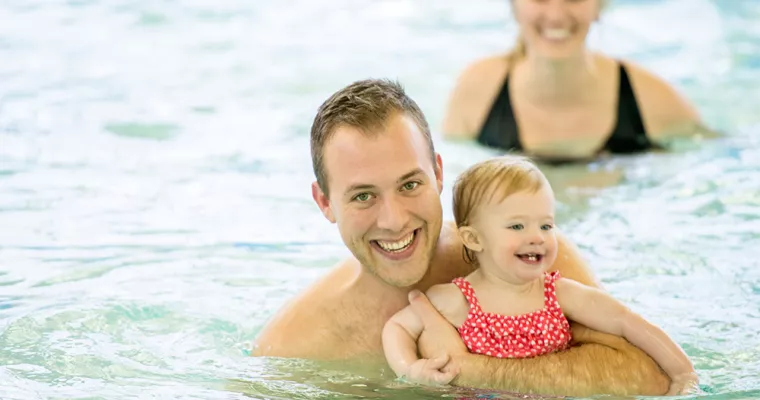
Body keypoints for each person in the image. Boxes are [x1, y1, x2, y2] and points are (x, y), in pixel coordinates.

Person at [252, 78, 672, 396]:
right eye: (363, 196)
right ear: (324, 203)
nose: (394, 220)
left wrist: (473, 369)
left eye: (410, 185)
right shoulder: (295, 348)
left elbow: (649, 376)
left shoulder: (525, 258)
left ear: (437, 172)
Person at [382, 156, 699, 395]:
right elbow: (397, 327)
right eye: (517, 226)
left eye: (546, 225)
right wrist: (410, 369)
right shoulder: (457, 299)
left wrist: (683, 373)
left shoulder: (557, 293)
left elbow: (627, 321)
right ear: (475, 239)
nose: (537, 237)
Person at [442, 0, 708, 162]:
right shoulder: (476, 92)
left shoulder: (652, 100)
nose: (556, 15)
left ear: (599, 6)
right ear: (514, 5)